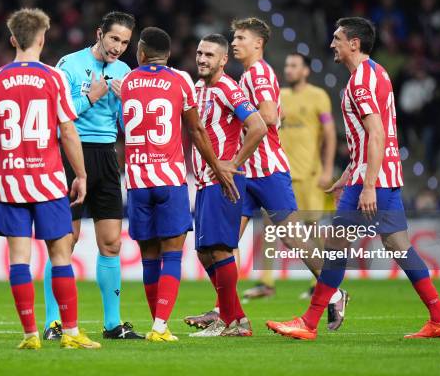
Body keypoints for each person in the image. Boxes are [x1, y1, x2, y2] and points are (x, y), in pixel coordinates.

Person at [266, 17, 440, 340]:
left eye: (337, 39)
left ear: (354, 43)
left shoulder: (360, 82)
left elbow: (377, 132)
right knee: (398, 246)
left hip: (374, 179)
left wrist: (366, 184)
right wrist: (347, 176)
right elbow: (370, 138)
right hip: (384, 174)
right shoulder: (376, 73)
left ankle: (309, 322)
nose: (332, 44)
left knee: (336, 247)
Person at [184, 17, 347, 331]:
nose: (235, 42)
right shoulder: (248, 75)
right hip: (247, 173)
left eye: (241, 38)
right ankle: (227, 311)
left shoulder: (258, 72)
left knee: (292, 237)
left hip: (266, 169)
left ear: (258, 43)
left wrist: (233, 157)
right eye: (234, 38)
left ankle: (334, 293)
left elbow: (268, 117)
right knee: (221, 245)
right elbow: (274, 112)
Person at [0, 8, 99, 349]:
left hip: (11, 181)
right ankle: (71, 333)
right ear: (43, 39)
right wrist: (82, 174)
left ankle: (31, 334)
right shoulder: (52, 77)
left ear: (13, 39)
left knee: (19, 258)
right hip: (47, 181)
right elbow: (67, 131)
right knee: (60, 256)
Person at [121, 27, 241, 342]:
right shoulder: (180, 80)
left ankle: (157, 325)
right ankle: (160, 327)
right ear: (168, 55)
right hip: (170, 179)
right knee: (172, 253)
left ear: (141, 53)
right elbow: (196, 129)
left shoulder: (129, 81)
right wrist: (218, 166)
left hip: (136, 181)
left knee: (149, 255)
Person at [42, 11, 141, 340]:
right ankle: (54, 323)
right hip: (71, 154)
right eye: (114, 39)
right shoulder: (68, 64)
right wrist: (90, 96)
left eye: (125, 42)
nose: (118, 47)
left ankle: (112, 324)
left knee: (112, 243)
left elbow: (128, 125)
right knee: (64, 242)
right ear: (100, 33)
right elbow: (55, 114)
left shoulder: (125, 72)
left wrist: (128, 104)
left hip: (107, 156)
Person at [184, 34, 267, 337]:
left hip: (225, 181)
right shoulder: (195, 89)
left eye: (209, 55)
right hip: (206, 181)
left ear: (223, 60)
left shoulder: (229, 89)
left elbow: (258, 126)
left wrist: (233, 163)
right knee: (205, 252)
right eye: (199, 53)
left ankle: (232, 322)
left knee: (219, 250)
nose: (202, 59)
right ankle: (235, 318)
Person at [244, 53, 337, 300]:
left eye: (294, 65)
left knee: (312, 228)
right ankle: (266, 282)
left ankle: (317, 282)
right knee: (269, 229)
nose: (289, 69)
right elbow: (275, 118)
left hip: (310, 174)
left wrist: (327, 169)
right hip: (277, 171)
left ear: (306, 70)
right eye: (286, 65)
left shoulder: (318, 96)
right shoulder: (279, 95)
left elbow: (329, 132)